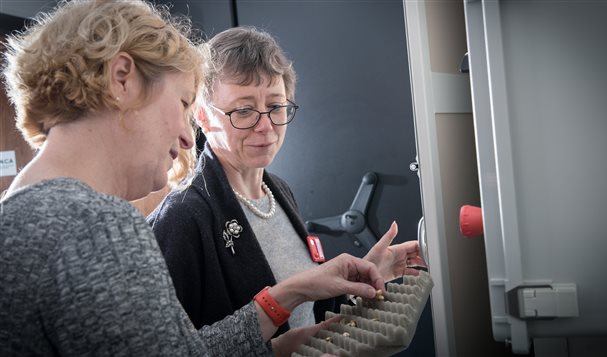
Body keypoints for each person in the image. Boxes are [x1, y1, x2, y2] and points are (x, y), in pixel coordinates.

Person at [0, 1, 387, 356]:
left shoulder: (21, 213)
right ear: (122, 79)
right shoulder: (95, 225)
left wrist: (286, 319)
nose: (188, 138)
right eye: (185, 102)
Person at [148, 26, 425, 335]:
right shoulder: (182, 218)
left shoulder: (278, 191)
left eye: (276, 106)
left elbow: (306, 315)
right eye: (244, 110)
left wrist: (363, 279)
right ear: (202, 115)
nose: (265, 126)